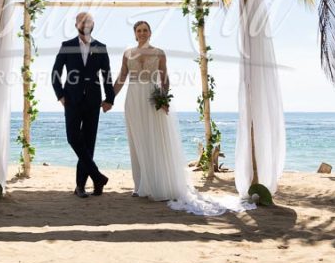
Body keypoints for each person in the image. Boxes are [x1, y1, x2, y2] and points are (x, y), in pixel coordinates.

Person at [114, 20, 252, 215]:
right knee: (137, 141)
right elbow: (122, 76)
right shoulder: (128, 53)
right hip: (133, 99)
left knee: (155, 140)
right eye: (139, 31)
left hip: (153, 98)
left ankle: (159, 185)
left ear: (150, 33)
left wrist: (163, 98)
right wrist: (109, 99)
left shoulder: (159, 53)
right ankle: (141, 186)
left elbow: (164, 77)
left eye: (145, 30)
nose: (142, 33)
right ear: (135, 34)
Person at [51, 12, 115, 198]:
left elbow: (107, 75)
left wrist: (109, 98)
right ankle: (97, 176)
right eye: (82, 21)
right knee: (73, 138)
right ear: (77, 24)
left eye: (89, 21)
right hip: (71, 100)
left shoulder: (100, 47)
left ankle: (81, 186)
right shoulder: (67, 46)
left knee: (89, 143)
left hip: (94, 101)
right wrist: (60, 95)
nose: (86, 24)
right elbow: (56, 73)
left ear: (93, 24)